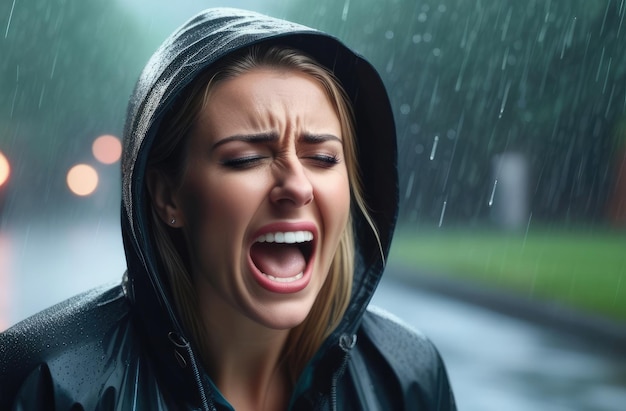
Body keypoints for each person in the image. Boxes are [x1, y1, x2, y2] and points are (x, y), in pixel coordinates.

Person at [0, 8, 456, 410]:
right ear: (167, 197)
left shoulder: (408, 377)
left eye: (322, 157)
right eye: (246, 159)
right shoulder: (45, 383)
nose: (296, 186)